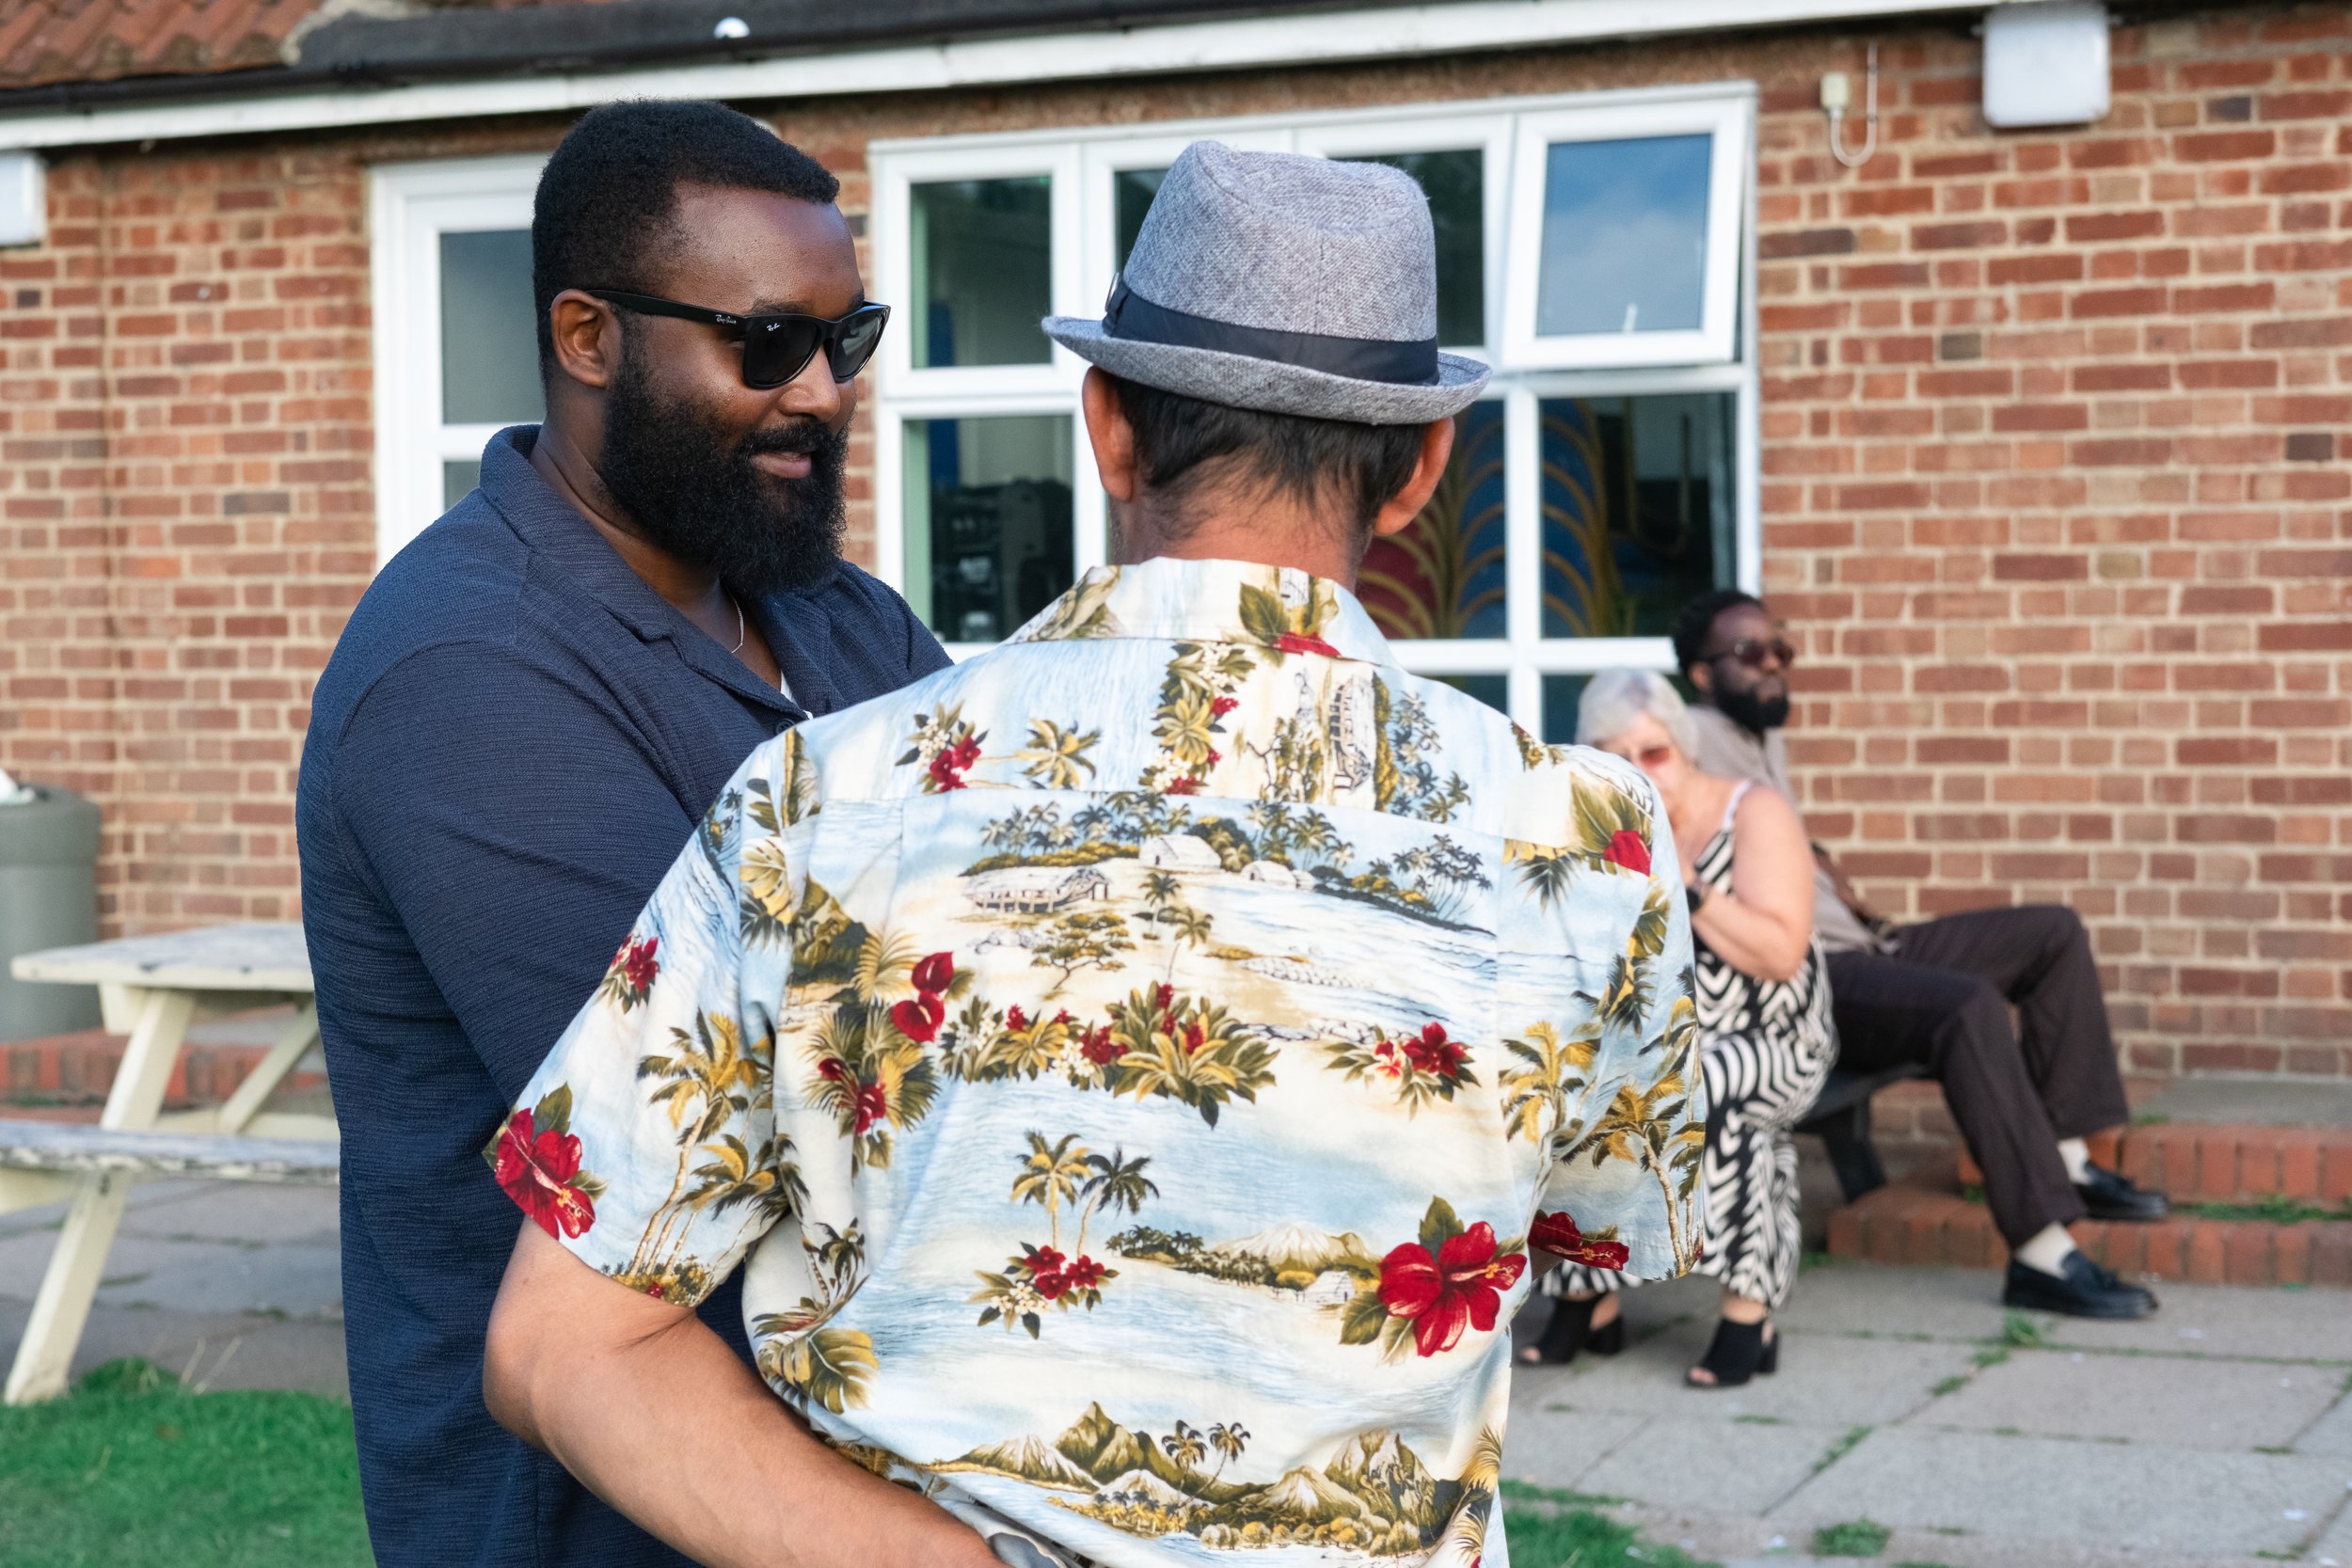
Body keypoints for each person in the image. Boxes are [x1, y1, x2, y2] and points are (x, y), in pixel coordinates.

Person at [476, 142, 1705, 1568]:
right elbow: (1588, 1224)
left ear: (1105, 422)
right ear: (1425, 465)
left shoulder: (821, 802)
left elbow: (556, 1344)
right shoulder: (1590, 842)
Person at [296, 102, 949, 1566]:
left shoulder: (831, 614)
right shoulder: (468, 674)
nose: (826, 394)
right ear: (587, 335)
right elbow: (765, 1124)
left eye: (848, 342)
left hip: (865, 1466)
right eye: (766, 345)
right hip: (605, 1515)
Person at [1671, 589, 2161, 1321]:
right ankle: (2041, 1253)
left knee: (2052, 932)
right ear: (1701, 675)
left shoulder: (1756, 735)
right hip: (1812, 974)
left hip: (1869, 946)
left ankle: (2066, 1156)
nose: (1773, 665)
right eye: (1750, 653)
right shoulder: (1689, 741)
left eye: (1781, 650)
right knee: (1965, 1007)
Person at [1528, 672, 1835, 1387]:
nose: (1641, 770)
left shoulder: (1752, 812)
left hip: (1776, 1035)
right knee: (1572, 1082)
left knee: (1708, 1084)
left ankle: (1747, 1308)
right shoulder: (1604, 824)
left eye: (1654, 751)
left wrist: (1685, 885)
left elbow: (1780, 952)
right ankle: (1587, 1298)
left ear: (1684, 746)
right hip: (1665, 1035)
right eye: (1617, 754)